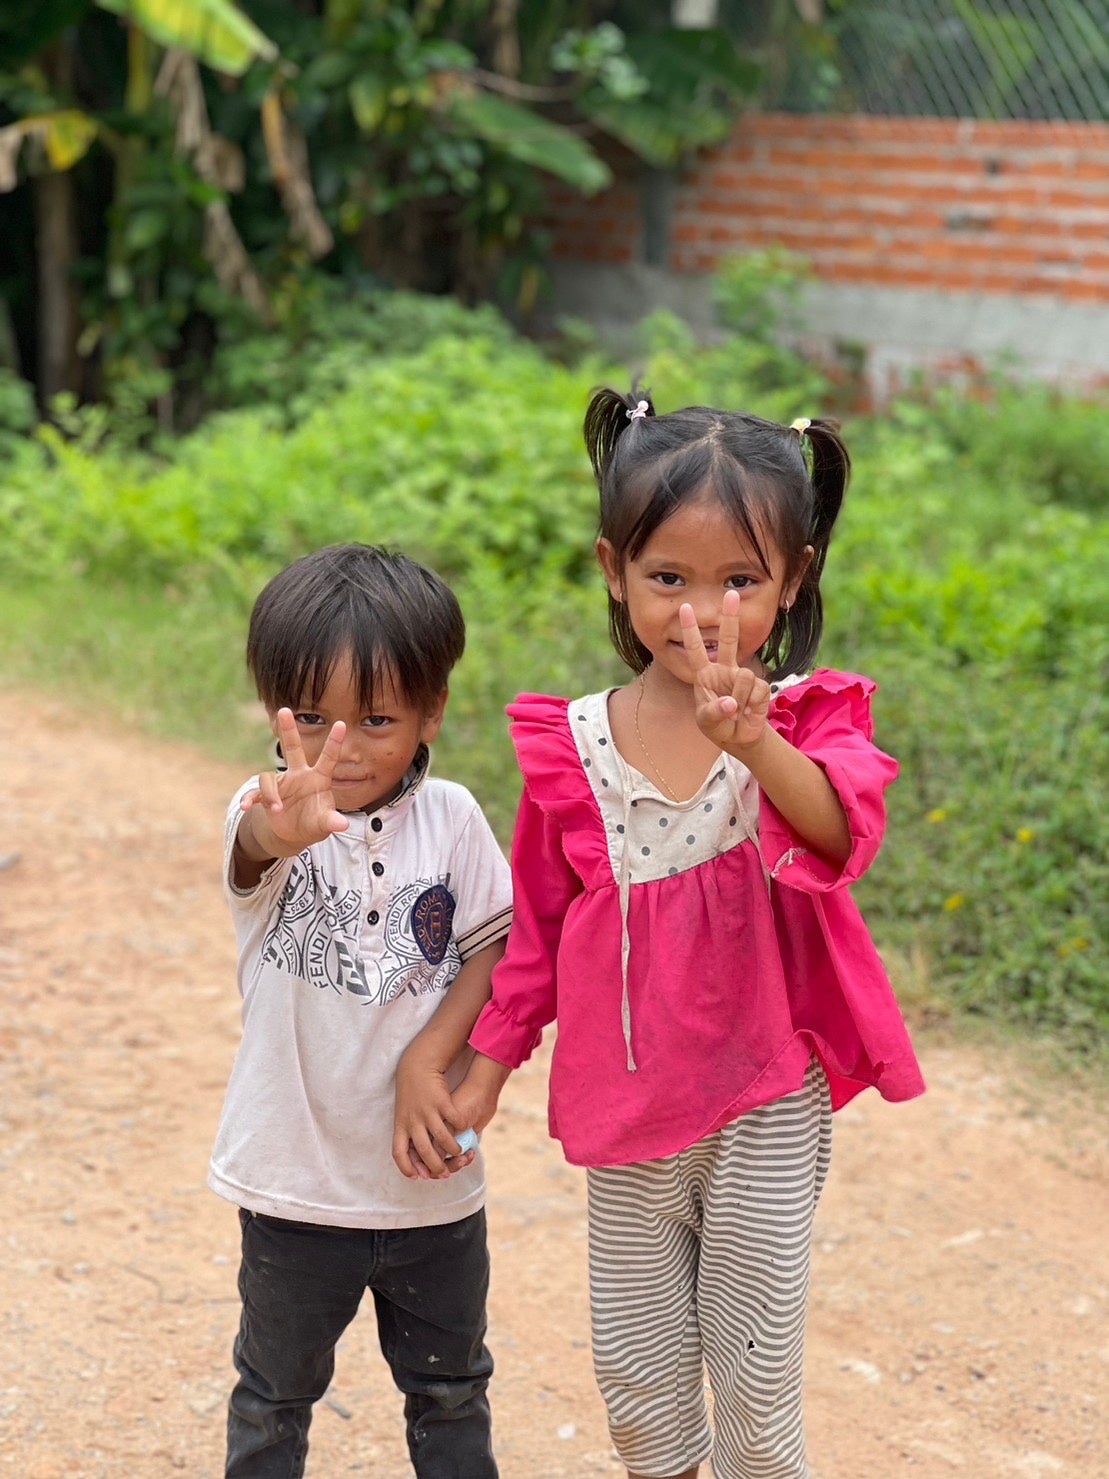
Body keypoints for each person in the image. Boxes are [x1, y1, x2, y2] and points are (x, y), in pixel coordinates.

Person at [457, 392, 926, 1479]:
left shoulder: (806, 722)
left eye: (738, 581)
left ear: (792, 582)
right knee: (637, 1390)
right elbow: (538, 929)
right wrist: (486, 1065)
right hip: (625, 1111)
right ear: (612, 569)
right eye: (668, 577)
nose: (700, 613)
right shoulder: (570, 745)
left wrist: (755, 746)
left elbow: (839, 833)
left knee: (754, 1391)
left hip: (764, 1096)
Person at [208, 543, 512, 1479]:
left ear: (432, 711)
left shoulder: (454, 819)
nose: (342, 745)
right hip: (294, 1184)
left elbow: (493, 950)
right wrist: (278, 826)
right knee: (272, 1398)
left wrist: (437, 1056)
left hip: (429, 1187)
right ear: (276, 712)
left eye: (377, 718)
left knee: (452, 1389)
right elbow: (253, 849)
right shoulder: (268, 812)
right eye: (312, 717)